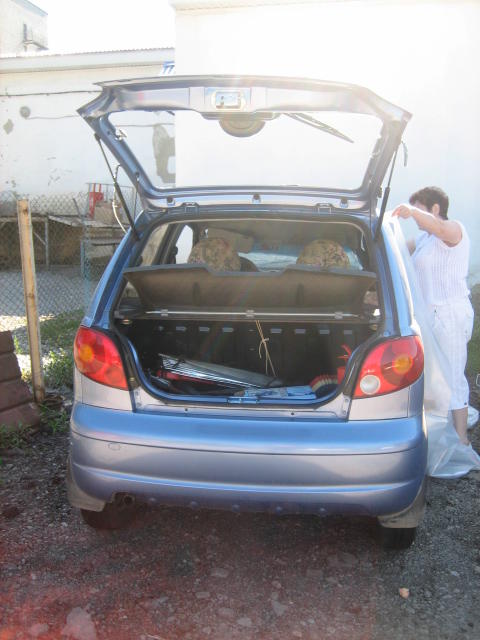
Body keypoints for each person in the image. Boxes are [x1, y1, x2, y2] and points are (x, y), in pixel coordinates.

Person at [393, 186, 474, 445]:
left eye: (420, 209)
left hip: (450, 314)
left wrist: (412, 211)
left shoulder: (454, 230)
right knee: (435, 377)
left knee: (452, 376)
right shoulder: (424, 239)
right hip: (430, 317)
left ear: (435, 208)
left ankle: (461, 440)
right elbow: (399, 248)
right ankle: (440, 433)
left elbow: (438, 227)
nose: (416, 219)